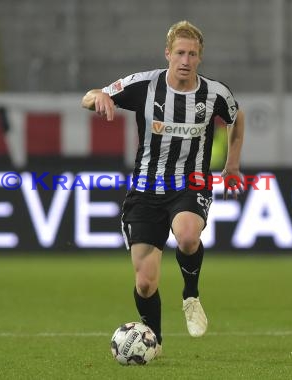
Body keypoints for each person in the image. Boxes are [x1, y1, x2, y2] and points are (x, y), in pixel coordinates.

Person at [81, 20, 245, 354]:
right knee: (145, 283)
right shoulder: (144, 85)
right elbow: (90, 96)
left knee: (187, 235)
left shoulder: (214, 93)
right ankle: (154, 339)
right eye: (180, 52)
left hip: (190, 183)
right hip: (144, 189)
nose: (186, 59)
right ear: (167, 53)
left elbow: (235, 118)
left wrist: (232, 165)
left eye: (193, 54)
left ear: (200, 58)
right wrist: (98, 96)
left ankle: (191, 294)